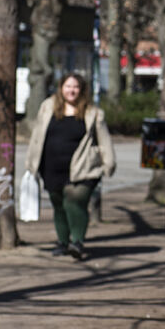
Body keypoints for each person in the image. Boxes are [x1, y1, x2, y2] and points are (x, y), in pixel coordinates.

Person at [26, 72, 116, 261]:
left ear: (82, 90)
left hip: (83, 167)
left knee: (75, 201)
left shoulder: (93, 113)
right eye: (68, 86)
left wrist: (109, 163)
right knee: (59, 204)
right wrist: (31, 162)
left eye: (75, 87)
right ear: (61, 88)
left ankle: (77, 242)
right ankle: (62, 242)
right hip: (51, 166)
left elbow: (104, 139)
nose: (71, 90)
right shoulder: (48, 107)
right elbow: (37, 136)